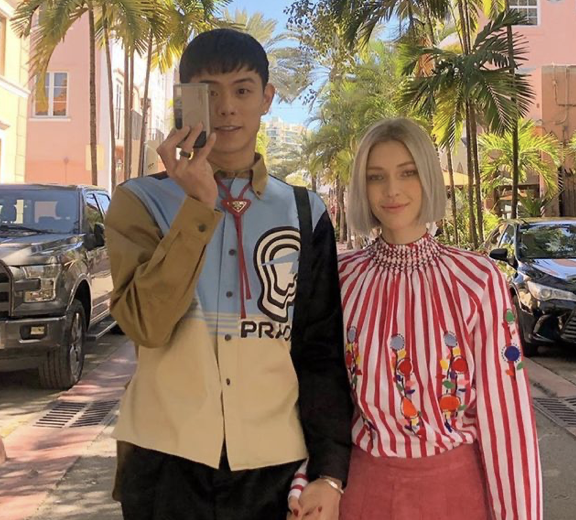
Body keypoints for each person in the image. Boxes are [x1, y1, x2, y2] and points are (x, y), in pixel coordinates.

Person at [105, 28, 352, 520]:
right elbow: (145, 325)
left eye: (242, 90)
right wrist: (198, 207)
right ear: (185, 101)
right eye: (209, 93)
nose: (226, 108)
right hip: (164, 460)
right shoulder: (141, 201)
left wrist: (329, 471)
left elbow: (319, 350)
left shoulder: (304, 211)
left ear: (267, 98)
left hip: (274, 465)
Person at [289, 118, 542, 520]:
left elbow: (507, 419)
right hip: (361, 494)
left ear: (427, 177)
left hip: (456, 496)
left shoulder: (478, 280)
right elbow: (322, 397)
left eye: (407, 172)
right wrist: (310, 480)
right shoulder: (341, 279)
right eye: (376, 177)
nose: (392, 190)